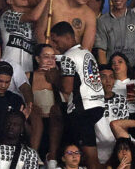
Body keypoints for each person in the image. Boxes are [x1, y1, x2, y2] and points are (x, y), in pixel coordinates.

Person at [50, 20, 104, 169]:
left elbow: (66, 88)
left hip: (82, 109)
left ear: (68, 37)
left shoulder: (69, 56)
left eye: (55, 41)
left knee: (90, 159)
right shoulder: (86, 53)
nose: (54, 45)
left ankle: (52, 161)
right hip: (96, 105)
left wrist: (54, 78)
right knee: (57, 112)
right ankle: (53, 160)